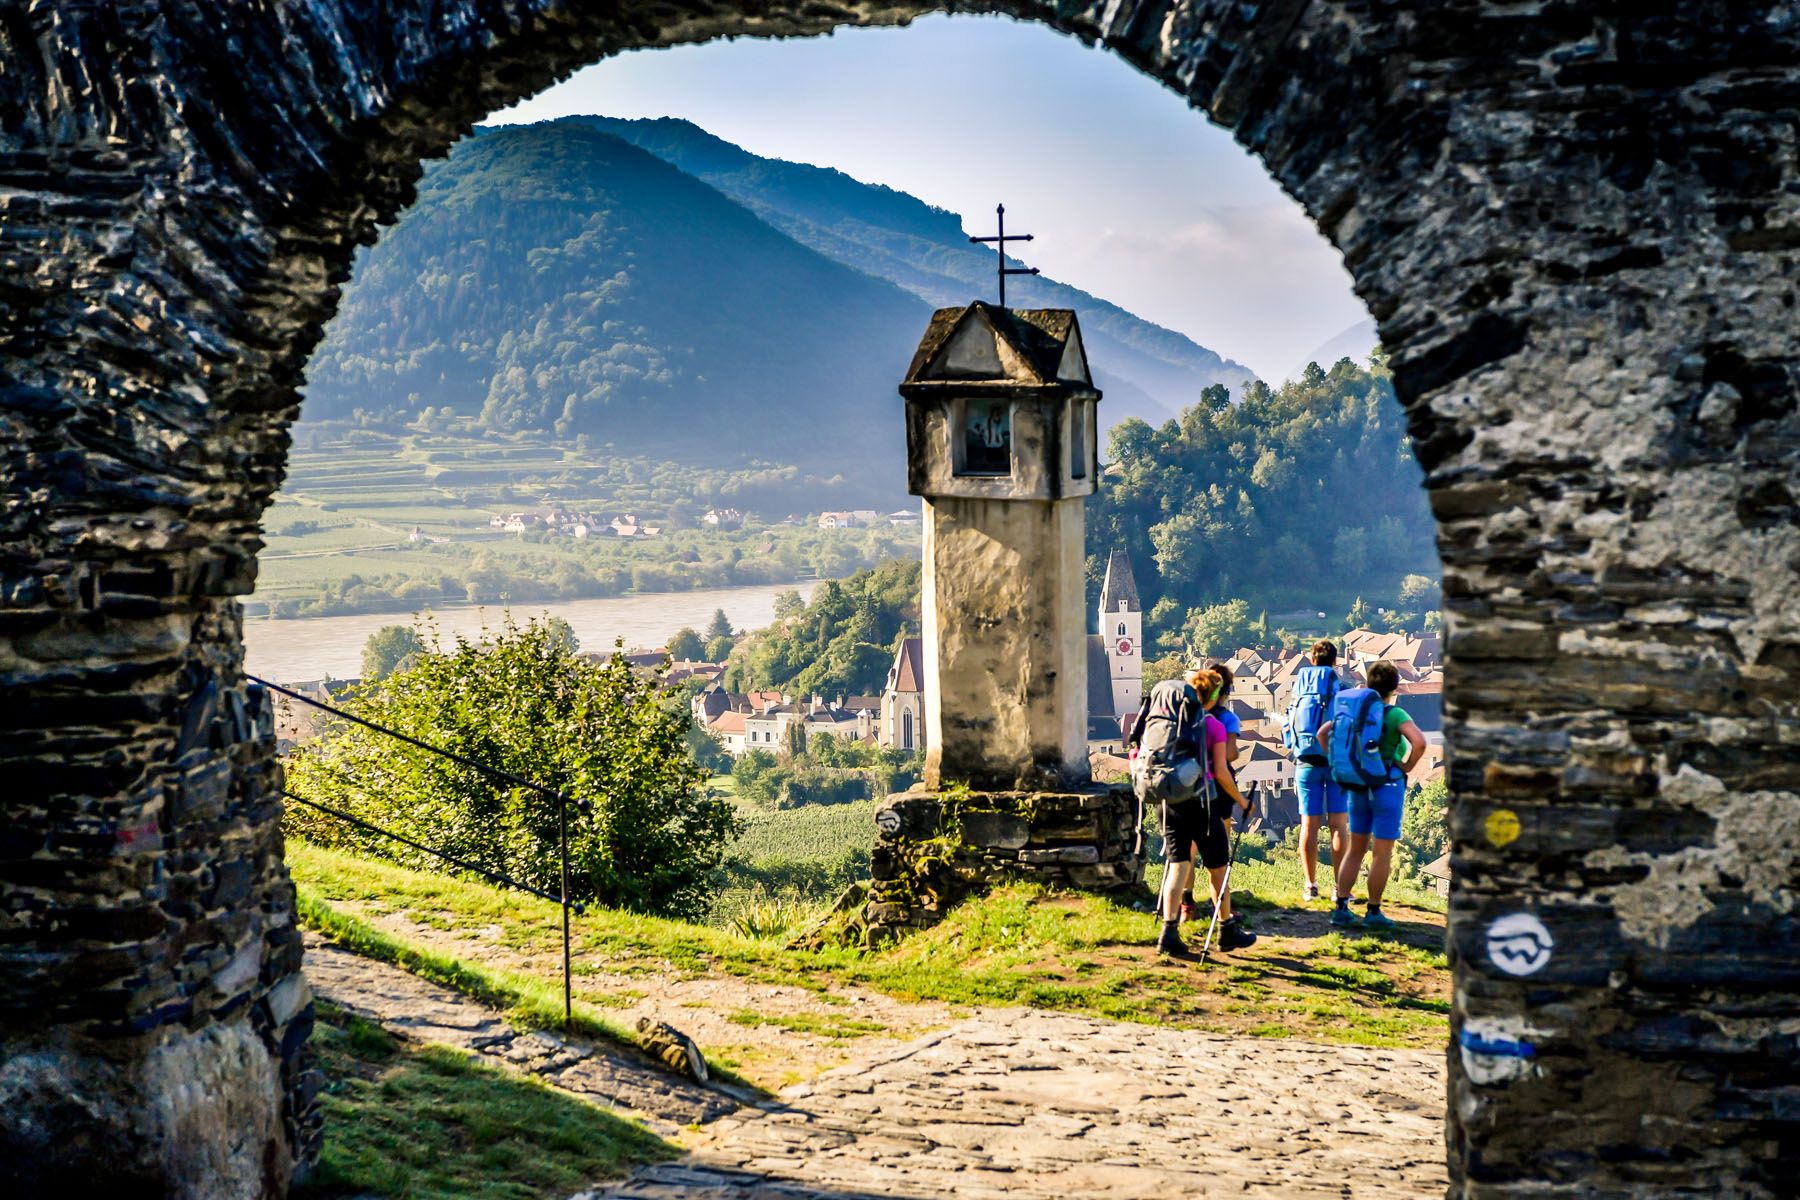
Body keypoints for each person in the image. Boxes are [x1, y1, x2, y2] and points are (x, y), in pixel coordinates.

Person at [1127, 665, 1256, 956]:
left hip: (1168, 801)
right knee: (1218, 869)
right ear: (1212, 697)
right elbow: (1222, 772)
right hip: (1202, 803)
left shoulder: (1165, 723)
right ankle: (1226, 930)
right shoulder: (1212, 726)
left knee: (1178, 865)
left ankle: (1169, 932)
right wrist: (1242, 801)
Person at [1316, 659, 1426, 931]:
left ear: (1368, 683)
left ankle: (1341, 907)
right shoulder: (1394, 714)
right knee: (1382, 853)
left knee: (1356, 848)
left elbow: (1323, 733)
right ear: (1395, 687)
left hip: (1358, 783)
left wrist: (1336, 759)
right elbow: (1420, 742)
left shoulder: (1357, 712)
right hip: (1387, 786)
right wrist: (1407, 766)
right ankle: (1373, 911)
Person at [1288, 640, 1347, 903]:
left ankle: (1310, 885)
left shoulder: (1299, 688)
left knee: (1308, 826)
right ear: (1335, 661)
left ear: (1311, 660)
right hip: (1335, 763)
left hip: (1305, 762)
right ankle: (1340, 887)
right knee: (1338, 826)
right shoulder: (1340, 687)